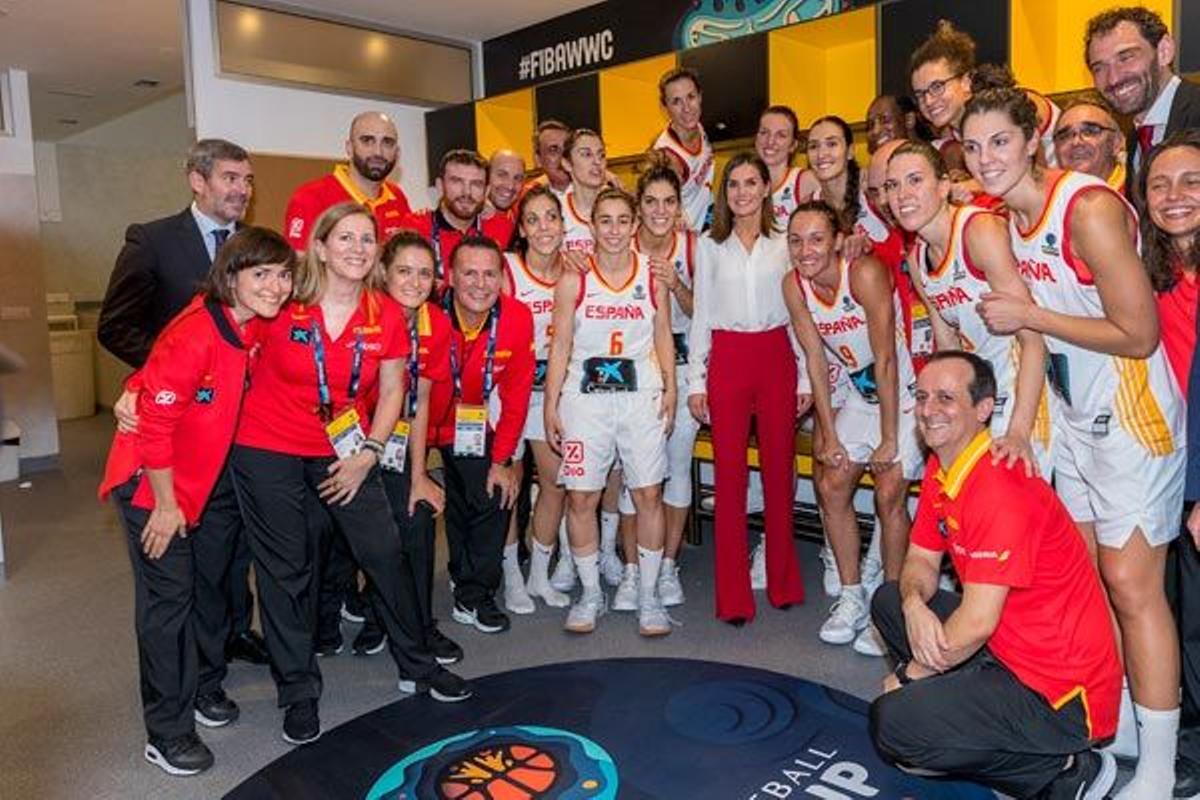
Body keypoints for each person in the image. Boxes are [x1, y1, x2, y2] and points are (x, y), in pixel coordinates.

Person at [964, 87, 1185, 800]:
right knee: (1091, 585)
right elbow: (1038, 336)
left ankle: (1158, 764)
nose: (985, 158)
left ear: (1032, 139)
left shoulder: (1084, 208)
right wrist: (1024, 426)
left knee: (1133, 586)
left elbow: (1139, 332)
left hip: (1133, 413)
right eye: (972, 147)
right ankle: (1117, 724)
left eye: (999, 140)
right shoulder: (1010, 220)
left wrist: (1029, 312)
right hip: (1075, 414)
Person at [232, 203, 472, 746]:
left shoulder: (384, 313)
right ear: (319, 246)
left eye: (368, 239)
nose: (358, 248)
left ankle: (417, 664)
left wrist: (369, 451)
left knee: (384, 551)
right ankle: (297, 690)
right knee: (286, 568)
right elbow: (220, 340)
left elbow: (392, 392)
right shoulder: (283, 301)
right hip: (266, 447)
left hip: (345, 448)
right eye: (346, 238)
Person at [869, 351, 1121, 800]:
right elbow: (921, 561)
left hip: (1060, 694)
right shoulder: (942, 468)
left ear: (983, 409)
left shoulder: (999, 487)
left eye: (946, 398)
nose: (929, 410)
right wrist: (912, 603)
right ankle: (968, 714)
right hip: (1006, 646)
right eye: (923, 396)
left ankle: (1062, 772)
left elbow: (978, 621)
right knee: (889, 600)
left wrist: (910, 676)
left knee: (893, 726)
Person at [99, 227, 294, 775]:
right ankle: (166, 732)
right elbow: (156, 425)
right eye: (262, 275)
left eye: (282, 275)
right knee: (168, 607)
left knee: (200, 593)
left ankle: (200, 690)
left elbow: (158, 374)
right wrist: (164, 505)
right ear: (230, 276)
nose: (276, 287)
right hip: (151, 487)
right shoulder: (197, 331)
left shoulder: (249, 325)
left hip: (195, 486)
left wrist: (136, 382)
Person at [99, 138, 268, 668]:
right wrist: (163, 374)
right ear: (197, 180)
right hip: (181, 425)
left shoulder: (259, 250)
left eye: (247, 180)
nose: (242, 189)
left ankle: (238, 629)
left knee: (234, 541)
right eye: (230, 178)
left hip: (245, 424)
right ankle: (203, 651)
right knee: (189, 553)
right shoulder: (152, 241)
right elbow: (115, 325)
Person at [784, 200, 923, 658]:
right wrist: (831, 436)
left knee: (888, 494)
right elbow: (816, 361)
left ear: (838, 241)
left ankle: (890, 609)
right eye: (796, 240)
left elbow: (884, 357)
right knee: (832, 483)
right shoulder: (794, 286)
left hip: (901, 394)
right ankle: (850, 595)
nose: (806, 250)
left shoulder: (862, 273)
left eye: (816, 239)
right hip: (860, 398)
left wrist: (887, 437)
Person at [543, 188, 676, 636]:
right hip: (585, 402)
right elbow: (560, 343)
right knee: (581, 497)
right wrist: (551, 403)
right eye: (606, 221)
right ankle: (591, 595)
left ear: (635, 223)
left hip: (641, 398)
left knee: (648, 496)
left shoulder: (652, 276)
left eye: (623, 220)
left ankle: (650, 596)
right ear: (592, 226)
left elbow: (663, 336)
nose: (615, 230)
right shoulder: (572, 279)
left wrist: (672, 389)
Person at [689, 153, 807, 625]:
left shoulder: (785, 243)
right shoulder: (710, 246)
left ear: (765, 188)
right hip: (729, 358)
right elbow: (700, 314)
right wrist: (697, 379)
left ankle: (783, 583)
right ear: (725, 193)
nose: (741, 192)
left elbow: (800, 313)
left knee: (780, 475)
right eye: (733, 184)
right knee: (731, 479)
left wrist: (802, 373)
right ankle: (733, 595)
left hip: (777, 355)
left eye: (750, 182)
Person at [885, 140, 1049, 476]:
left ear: (944, 186)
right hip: (981, 392)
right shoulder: (917, 257)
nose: (902, 195)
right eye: (892, 185)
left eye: (915, 180)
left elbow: (1034, 338)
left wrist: (1018, 431)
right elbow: (948, 349)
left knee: (1011, 509)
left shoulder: (979, 231)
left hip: (1026, 388)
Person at [430, 235, 535, 635]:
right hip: (412, 422)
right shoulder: (425, 312)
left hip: (468, 423)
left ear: (502, 278)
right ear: (451, 278)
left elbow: (517, 397)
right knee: (402, 510)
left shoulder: (517, 318)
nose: (480, 283)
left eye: (490, 274)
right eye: (469, 273)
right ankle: (373, 601)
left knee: (493, 493)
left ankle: (473, 591)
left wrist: (502, 460)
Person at [375, 230, 464, 667]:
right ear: (383, 273)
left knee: (417, 514)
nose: (414, 281)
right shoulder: (365, 313)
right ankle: (374, 615)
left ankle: (420, 624)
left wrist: (418, 475)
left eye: (424, 273)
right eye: (404, 271)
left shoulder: (437, 322)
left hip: (397, 444)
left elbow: (421, 401)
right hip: (344, 444)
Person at [1142, 131, 1200, 797]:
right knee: (1182, 607)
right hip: (1172, 457)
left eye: (1190, 182)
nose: (1174, 197)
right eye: (1161, 184)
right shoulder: (1151, 270)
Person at [611, 163, 697, 612]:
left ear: (679, 207)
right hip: (634, 374)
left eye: (668, 202)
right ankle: (630, 569)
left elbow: (705, 312)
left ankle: (666, 565)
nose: (660, 210)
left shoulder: (693, 246)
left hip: (682, 369)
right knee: (635, 474)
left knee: (677, 467)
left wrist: (676, 284)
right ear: (638, 207)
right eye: (650, 202)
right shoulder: (622, 244)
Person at [497, 186, 572, 614]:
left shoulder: (575, 271)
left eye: (551, 217)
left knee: (556, 483)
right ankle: (512, 578)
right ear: (521, 229)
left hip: (550, 395)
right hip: (507, 393)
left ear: (562, 224)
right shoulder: (507, 269)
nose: (543, 227)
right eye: (533, 219)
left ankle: (539, 575)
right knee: (510, 486)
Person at [1085, 5, 1200, 197]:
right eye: (1100, 68)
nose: (1113, 79)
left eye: (1126, 57)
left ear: (1164, 51)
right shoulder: (1136, 138)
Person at [283, 111, 412, 252]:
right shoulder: (310, 197)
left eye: (387, 143)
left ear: (397, 153)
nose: (378, 152)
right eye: (367, 141)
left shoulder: (398, 198)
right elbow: (298, 265)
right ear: (349, 148)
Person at [400, 149, 515, 282]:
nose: (466, 192)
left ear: (486, 191)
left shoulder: (502, 227)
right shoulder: (414, 228)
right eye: (457, 181)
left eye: (476, 184)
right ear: (440, 186)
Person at [654, 67, 715, 231]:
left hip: (708, 216)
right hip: (687, 234)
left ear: (700, 97)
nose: (687, 108)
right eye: (676, 101)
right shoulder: (668, 156)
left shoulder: (698, 126)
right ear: (665, 107)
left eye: (691, 97)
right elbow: (665, 209)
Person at [756, 105, 818, 230]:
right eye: (764, 133)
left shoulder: (805, 181)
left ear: (793, 145)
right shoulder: (744, 184)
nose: (770, 141)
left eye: (781, 135)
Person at [1052, 98, 1126, 192]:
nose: (1076, 142)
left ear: (1116, 143)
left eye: (1089, 132)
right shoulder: (1051, 199)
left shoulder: (1138, 194)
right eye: (1065, 136)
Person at [555, 129, 608, 255]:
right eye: (586, 154)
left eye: (601, 155)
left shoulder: (621, 206)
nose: (597, 162)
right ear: (567, 164)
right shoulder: (555, 210)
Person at [526, 119, 572, 195]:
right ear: (538, 160)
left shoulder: (596, 193)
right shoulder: (528, 198)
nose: (563, 156)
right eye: (553, 150)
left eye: (567, 148)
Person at [484, 149, 526, 223]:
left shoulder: (522, 221)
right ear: (487, 176)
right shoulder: (466, 219)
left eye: (517, 178)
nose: (510, 186)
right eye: (502, 175)